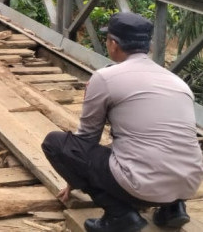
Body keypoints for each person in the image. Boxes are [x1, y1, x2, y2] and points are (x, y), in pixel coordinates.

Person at [42, 12, 203, 232]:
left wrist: (73, 176)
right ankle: (173, 208)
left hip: (142, 185)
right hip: (189, 182)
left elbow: (86, 140)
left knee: (55, 143)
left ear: (114, 44)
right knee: (165, 144)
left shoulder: (105, 78)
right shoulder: (177, 83)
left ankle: (120, 215)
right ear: (148, 46)